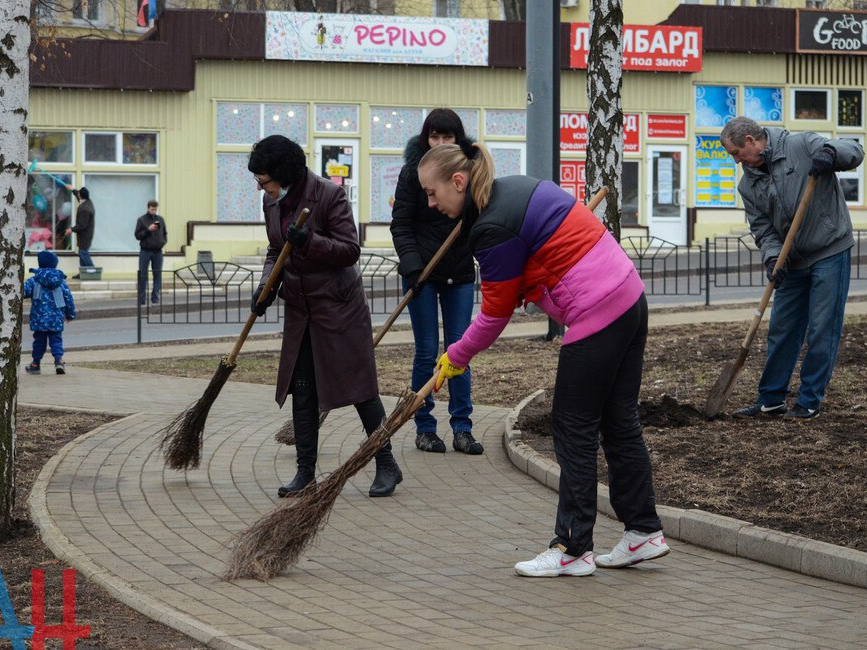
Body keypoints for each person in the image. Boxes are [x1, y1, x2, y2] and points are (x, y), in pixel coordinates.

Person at [418, 142, 669, 577]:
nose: (431, 202)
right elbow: (550, 255)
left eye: (432, 192)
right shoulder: (514, 190)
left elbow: (494, 316)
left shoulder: (491, 226)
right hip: (628, 296)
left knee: (573, 427)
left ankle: (572, 549)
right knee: (618, 420)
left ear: (458, 182)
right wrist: (528, 286)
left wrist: (455, 356)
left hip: (596, 311)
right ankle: (643, 532)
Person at [248, 134, 403, 498]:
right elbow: (276, 248)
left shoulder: (328, 196)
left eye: (265, 180)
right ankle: (305, 473)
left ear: (284, 174)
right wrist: (266, 285)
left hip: (338, 309)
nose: (261, 187)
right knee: (302, 391)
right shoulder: (272, 203)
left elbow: (349, 250)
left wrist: (309, 242)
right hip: (301, 310)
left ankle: (386, 463)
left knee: (360, 389)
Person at [720, 116, 864, 420]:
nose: (735, 160)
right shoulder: (748, 185)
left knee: (822, 327)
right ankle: (771, 399)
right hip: (792, 261)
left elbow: (854, 148)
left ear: (750, 141)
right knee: (782, 329)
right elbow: (763, 229)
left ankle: (809, 400)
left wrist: (831, 154)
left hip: (829, 249)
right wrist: (774, 257)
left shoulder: (801, 145)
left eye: (735, 153)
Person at [391, 108, 482, 455]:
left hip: (458, 274)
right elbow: (401, 225)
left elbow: (482, 221)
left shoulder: (470, 175)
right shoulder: (412, 174)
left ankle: (462, 428)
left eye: (448, 137)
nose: (441, 143)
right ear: (425, 138)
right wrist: (413, 267)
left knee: (459, 350)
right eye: (435, 136)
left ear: (458, 139)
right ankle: (425, 427)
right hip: (422, 277)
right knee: (427, 351)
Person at [23, 250, 77, 375]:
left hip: (39, 318)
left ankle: (35, 364)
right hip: (56, 318)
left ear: (40, 263)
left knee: (39, 341)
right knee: (56, 340)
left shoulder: (34, 280)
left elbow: (23, 292)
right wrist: (70, 315)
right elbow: (68, 298)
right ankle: (59, 361)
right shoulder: (60, 281)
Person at [135, 200, 167, 305]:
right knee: (143, 275)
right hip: (145, 251)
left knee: (157, 274)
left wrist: (163, 242)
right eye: (152, 209)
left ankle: (155, 297)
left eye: (155, 209)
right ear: (148, 208)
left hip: (158, 251)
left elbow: (165, 233)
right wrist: (148, 230)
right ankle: (142, 299)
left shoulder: (160, 220)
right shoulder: (141, 220)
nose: (154, 211)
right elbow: (137, 236)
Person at [64, 185, 95, 276]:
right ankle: (83, 273)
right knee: (82, 253)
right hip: (85, 235)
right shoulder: (88, 202)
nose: (78, 195)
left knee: (83, 253)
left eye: (79, 194)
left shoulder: (85, 209)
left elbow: (82, 225)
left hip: (85, 235)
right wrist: (72, 189)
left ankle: (92, 272)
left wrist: (71, 229)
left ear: (81, 196)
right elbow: (79, 195)